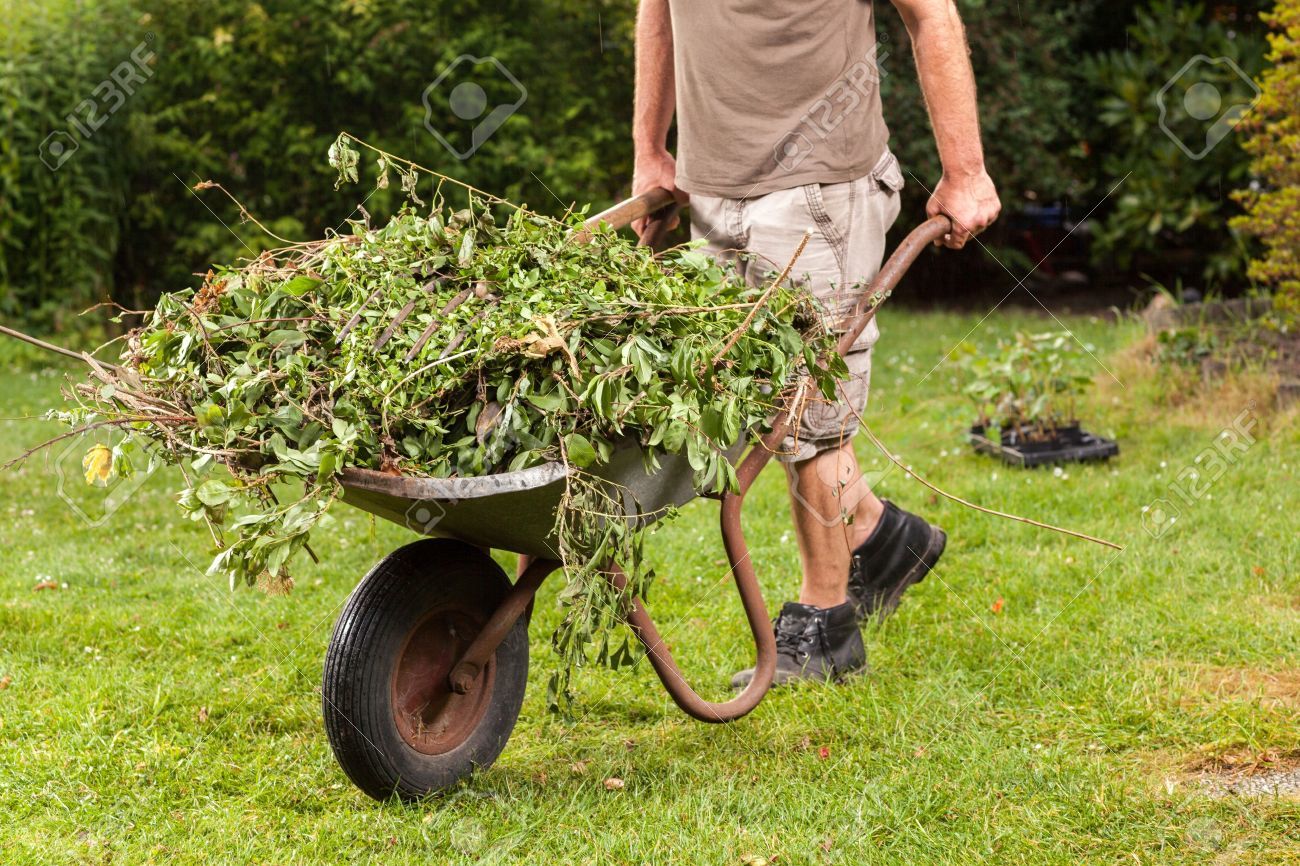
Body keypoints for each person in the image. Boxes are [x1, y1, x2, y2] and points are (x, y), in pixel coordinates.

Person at [630, 0, 1002, 687]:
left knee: (810, 415)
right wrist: (650, 151)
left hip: (820, 190)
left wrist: (966, 170)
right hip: (713, 189)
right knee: (758, 402)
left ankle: (826, 625)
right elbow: (657, 10)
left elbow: (932, 15)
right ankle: (881, 534)